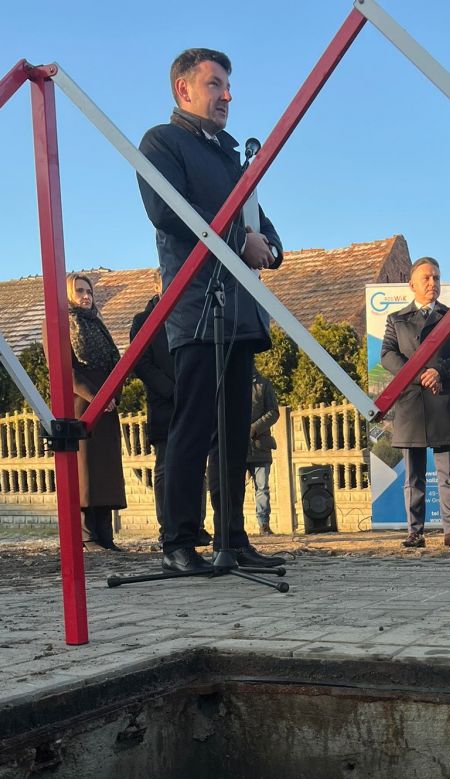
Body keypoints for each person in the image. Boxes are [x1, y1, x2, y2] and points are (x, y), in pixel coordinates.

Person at [137, 47, 284, 574]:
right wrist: (240, 240)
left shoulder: (229, 155)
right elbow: (168, 211)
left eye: (228, 85)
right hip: (197, 306)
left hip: (241, 310)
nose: (227, 95)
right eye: (215, 84)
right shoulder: (162, 142)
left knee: (234, 430)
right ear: (184, 89)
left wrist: (269, 246)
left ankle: (232, 539)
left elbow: (260, 222)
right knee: (194, 424)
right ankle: (178, 541)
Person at [380, 257, 450, 549]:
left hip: (445, 400)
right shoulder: (396, 319)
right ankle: (415, 532)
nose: (433, 283)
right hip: (412, 404)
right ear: (412, 285)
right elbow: (388, 355)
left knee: (448, 474)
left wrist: (440, 371)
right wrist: (421, 375)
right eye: (426, 278)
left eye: (436, 277)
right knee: (413, 476)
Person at [48, 273, 126, 553]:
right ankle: (87, 535)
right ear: (68, 294)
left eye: (89, 291)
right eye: (79, 290)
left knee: (106, 472)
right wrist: (96, 397)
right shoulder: (58, 324)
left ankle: (106, 535)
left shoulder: (97, 324)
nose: (86, 296)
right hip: (81, 406)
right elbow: (64, 370)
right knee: (85, 471)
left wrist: (113, 395)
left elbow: (116, 363)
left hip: (107, 406)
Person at [129, 282, 211, 548]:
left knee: (197, 466)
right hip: (164, 403)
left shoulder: (192, 312)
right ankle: (169, 528)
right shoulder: (143, 320)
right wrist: (171, 390)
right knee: (166, 467)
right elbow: (140, 362)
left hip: (193, 399)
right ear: (157, 285)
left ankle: (196, 526)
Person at [246, 367, 280, 535]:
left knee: (262, 488)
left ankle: (263, 523)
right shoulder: (230, 381)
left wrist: (255, 428)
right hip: (236, 447)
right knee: (234, 490)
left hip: (260, 445)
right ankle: (234, 525)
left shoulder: (263, 384)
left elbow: (273, 412)